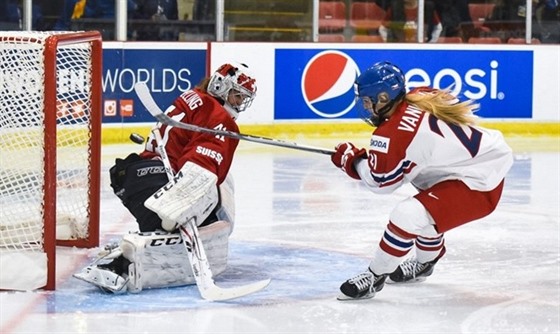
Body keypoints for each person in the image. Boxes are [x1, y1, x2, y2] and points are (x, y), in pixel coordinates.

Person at [331, 61, 513, 300]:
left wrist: (352, 160)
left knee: (408, 214)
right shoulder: (421, 94)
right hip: (475, 165)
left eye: (367, 101)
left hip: (478, 184)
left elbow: (381, 183)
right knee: (427, 209)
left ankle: (374, 277)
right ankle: (425, 264)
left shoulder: (393, 132)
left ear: (384, 97)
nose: (365, 107)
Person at [74, 63, 257, 293]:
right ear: (220, 86)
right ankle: (120, 264)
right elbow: (201, 167)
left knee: (189, 215)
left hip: (133, 175)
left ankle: (134, 245)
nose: (239, 102)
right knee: (214, 201)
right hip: (158, 181)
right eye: (237, 95)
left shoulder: (195, 97)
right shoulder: (219, 118)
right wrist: (181, 204)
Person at [378, 0, 443, 43]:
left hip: (422, 47)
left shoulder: (428, 7)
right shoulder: (395, 7)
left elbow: (438, 27)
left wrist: (431, 43)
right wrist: (390, 43)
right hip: (401, 47)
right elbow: (383, 28)